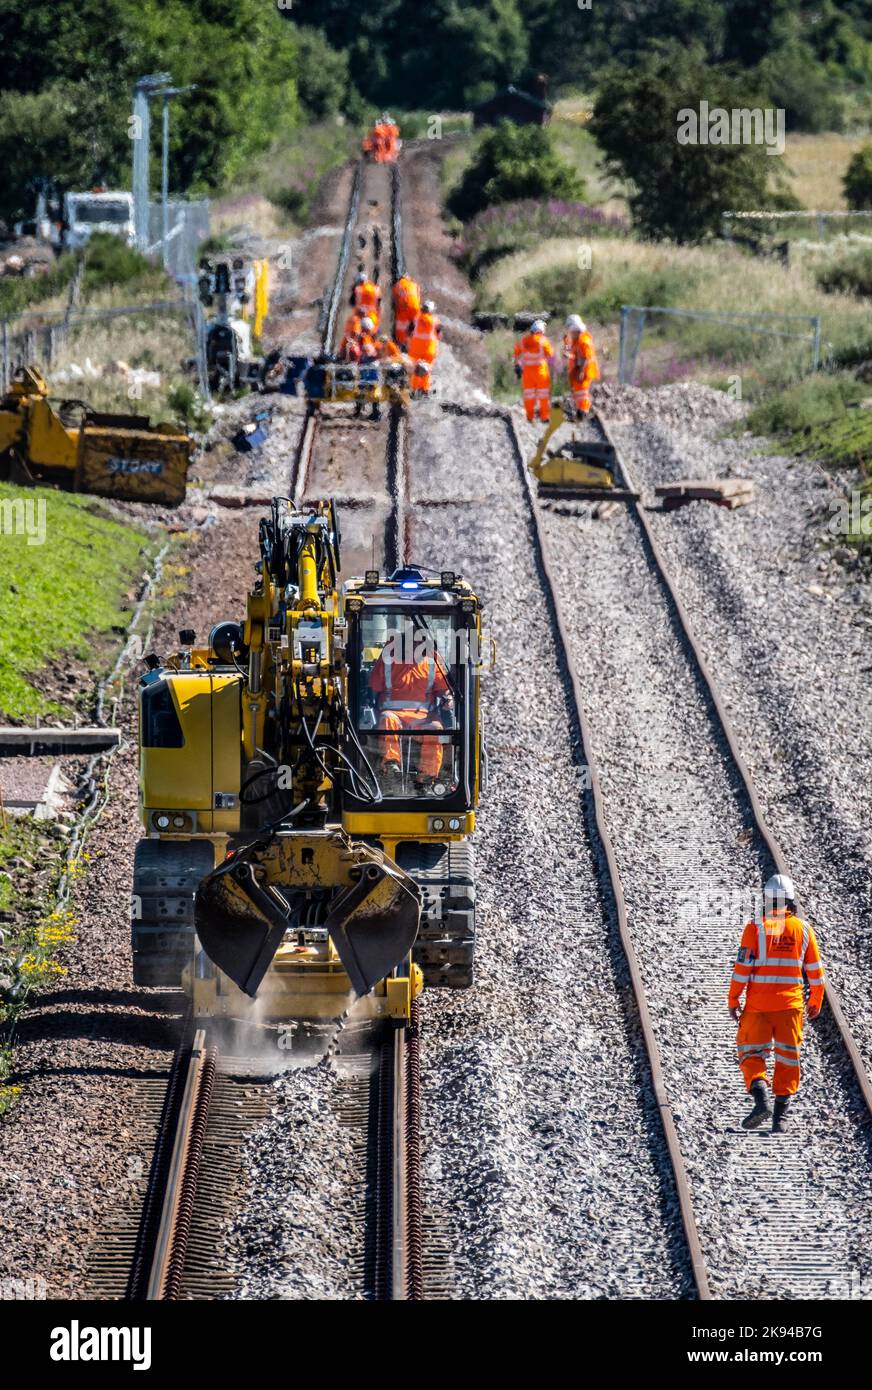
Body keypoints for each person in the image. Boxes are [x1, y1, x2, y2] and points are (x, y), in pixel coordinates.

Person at [728, 874, 825, 1133]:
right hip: (790, 1008)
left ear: (767, 900)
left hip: (758, 1007)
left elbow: (742, 969)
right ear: (791, 901)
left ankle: (761, 1098)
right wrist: (816, 998)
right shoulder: (804, 930)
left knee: (750, 1053)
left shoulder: (755, 928)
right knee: (788, 1059)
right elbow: (815, 972)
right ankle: (780, 1119)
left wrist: (733, 998)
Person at [368, 634, 453, 793]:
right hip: (393, 714)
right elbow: (374, 686)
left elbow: (443, 688)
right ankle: (391, 766)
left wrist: (448, 698)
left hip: (423, 718)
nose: (415, 646)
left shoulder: (432, 661)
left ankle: (426, 779)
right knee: (387, 719)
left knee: (435, 729)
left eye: (418, 642)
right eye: (411, 642)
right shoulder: (388, 658)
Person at [513, 319, 554, 423]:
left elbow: (516, 353)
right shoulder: (544, 341)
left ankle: (530, 417)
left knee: (529, 396)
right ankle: (544, 417)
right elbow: (550, 355)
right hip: (541, 373)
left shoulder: (524, 341)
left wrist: (517, 365)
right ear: (542, 331)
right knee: (543, 396)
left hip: (527, 374)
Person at [563, 314, 599, 415]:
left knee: (582, 393)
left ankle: (583, 412)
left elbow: (586, 357)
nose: (570, 333)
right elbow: (577, 356)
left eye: (571, 331)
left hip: (585, 371)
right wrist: (569, 355)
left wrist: (581, 371)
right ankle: (580, 411)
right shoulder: (577, 341)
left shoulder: (584, 340)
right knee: (578, 392)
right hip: (579, 370)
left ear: (575, 329)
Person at [408, 299, 441, 396]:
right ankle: (424, 389)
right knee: (427, 370)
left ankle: (414, 388)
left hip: (415, 349)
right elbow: (439, 335)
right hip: (429, 350)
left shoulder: (416, 318)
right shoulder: (435, 320)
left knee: (414, 370)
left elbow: (409, 331)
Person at [392, 273, 421, 349]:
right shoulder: (414, 285)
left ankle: (400, 343)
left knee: (401, 328)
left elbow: (395, 298)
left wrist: (396, 308)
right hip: (415, 308)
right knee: (414, 326)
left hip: (403, 308)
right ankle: (412, 344)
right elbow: (418, 297)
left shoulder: (398, 284)